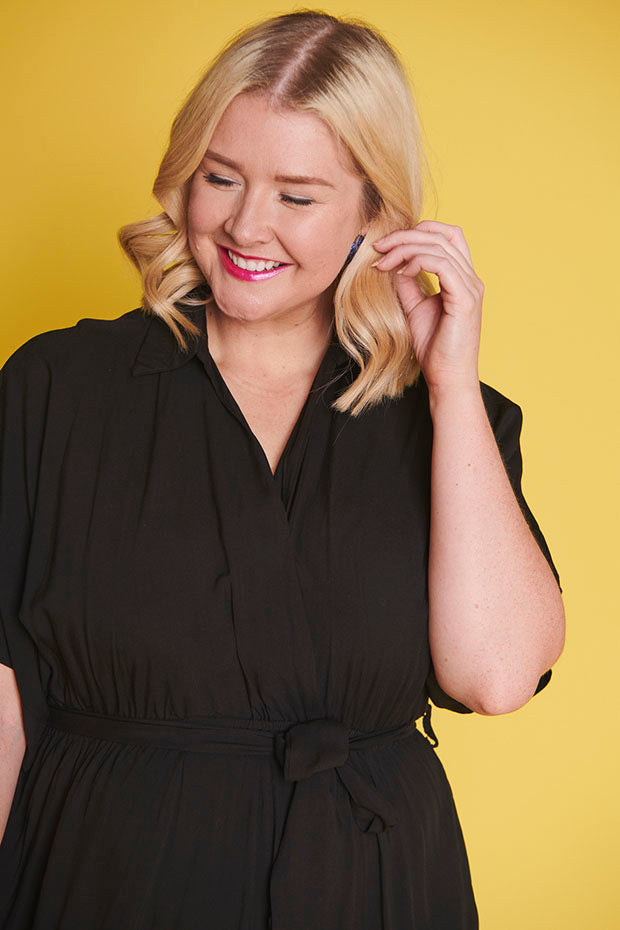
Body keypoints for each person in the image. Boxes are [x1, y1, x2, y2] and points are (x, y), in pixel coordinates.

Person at [0, 9, 565, 930]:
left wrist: (451, 385)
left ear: (375, 215)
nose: (244, 225)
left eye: (297, 197)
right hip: (110, 885)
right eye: (220, 178)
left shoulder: (449, 418)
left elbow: (497, 677)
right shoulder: (56, 388)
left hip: (375, 890)